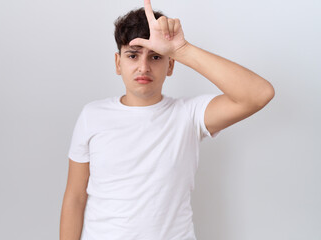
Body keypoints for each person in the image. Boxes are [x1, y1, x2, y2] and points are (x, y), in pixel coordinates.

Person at [60, 0, 275, 239]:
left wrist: (182, 49)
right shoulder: (92, 115)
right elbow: (75, 198)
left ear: (170, 65)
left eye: (155, 57)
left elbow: (259, 94)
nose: (143, 67)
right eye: (133, 55)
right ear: (118, 62)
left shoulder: (188, 115)